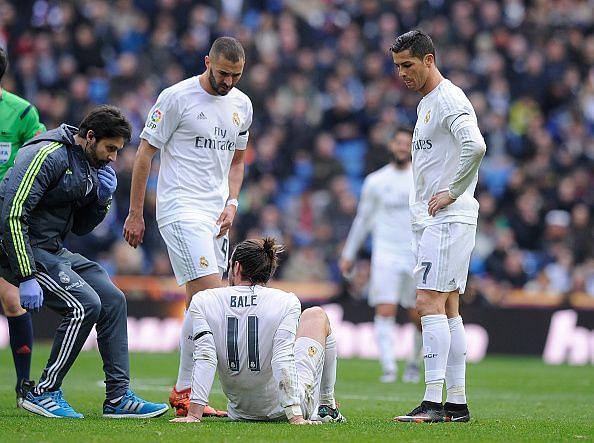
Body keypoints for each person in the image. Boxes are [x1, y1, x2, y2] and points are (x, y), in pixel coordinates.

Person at [0, 105, 168, 419]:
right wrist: (25, 275)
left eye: (118, 151)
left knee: (113, 299)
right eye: (110, 149)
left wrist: (102, 198)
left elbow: (79, 227)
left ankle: (118, 398)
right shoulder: (47, 155)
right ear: (89, 137)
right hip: (17, 246)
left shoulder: (87, 163)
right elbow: (11, 213)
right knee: (84, 304)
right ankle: (45, 391)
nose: (114, 158)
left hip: (50, 248)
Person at [123, 36, 253, 417]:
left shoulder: (242, 105)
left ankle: (183, 392)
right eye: (224, 73)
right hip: (180, 209)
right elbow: (145, 152)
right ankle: (225, 392)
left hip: (217, 217)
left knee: (198, 304)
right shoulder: (176, 97)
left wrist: (233, 202)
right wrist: (135, 213)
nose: (229, 82)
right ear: (207, 61)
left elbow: (238, 162)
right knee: (214, 300)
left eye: (237, 75)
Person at [390, 30, 486, 423]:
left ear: (429, 60)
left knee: (427, 302)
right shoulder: (427, 103)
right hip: (437, 221)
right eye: (397, 67)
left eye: (408, 65)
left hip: (448, 217)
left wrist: (452, 191)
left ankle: (432, 401)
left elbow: (475, 145)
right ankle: (457, 404)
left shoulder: (448, 99)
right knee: (448, 308)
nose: (402, 74)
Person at [170, 238, 346, 425]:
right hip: (288, 408)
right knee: (316, 315)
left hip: (241, 411)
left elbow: (205, 357)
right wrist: (295, 416)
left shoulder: (204, 300)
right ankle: (327, 405)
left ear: (236, 267)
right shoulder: (285, 301)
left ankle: (324, 405)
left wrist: (194, 414)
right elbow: (282, 358)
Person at [339, 127, 422, 384]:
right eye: (398, 143)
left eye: (406, 144)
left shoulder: (421, 178)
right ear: (391, 145)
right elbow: (363, 220)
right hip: (385, 254)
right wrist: (349, 253)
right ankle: (388, 367)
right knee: (384, 309)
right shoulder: (376, 181)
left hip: (414, 254)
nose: (401, 148)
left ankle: (413, 362)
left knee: (418, 314)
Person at [0, 46, 46, 406]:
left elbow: (39, 155)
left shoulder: (21, 113)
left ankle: (23, 385)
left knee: (12, 300)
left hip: (4, 217)